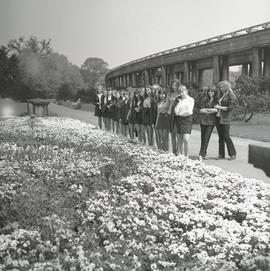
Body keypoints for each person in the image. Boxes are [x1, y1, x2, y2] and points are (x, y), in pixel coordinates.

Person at [214, 80, 237, 160]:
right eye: (219, 87)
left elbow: (230, 108)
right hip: (218, 118)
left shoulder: (230, 95)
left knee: (226, 136)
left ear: (225, 87)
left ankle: (233, 154)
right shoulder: (221, 94)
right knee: (221, 137)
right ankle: (221, 154)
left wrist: (219, 107)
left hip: (225, 119)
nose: (220, 88)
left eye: (221, 86)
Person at [172, 84, 194, 158]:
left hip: (187, 120)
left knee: (186, 139)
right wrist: (178, 103)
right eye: (180, 92)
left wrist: (180, 113)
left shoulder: (191, 99)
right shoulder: (178, 99)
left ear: (186, 91)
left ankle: (186, 156)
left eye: (183, 91)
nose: (181, 93)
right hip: (178, 120)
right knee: (179, 140)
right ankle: (180, 154)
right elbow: (175, 111)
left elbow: (189, 111)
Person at [198, 86, 218, 160]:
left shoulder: (216, 100)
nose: (210, 92)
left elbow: (216, 110)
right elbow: (201, 110)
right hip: (203, 121)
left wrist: (206, 109)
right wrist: (211, 110)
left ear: (215, 92)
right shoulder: (204, 99)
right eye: (209, 91)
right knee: (203, 138)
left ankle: (201, 154)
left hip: (211, 122)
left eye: (212, 91)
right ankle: (204, 153)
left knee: (206, 138)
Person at [167, 79, 181, 155]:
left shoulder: (180, 94)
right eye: (173, 85)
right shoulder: (170, 94)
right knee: (172, 133)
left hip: (178, 115)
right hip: (170, 114)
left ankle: (178, 151)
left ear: (178, 85)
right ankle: (174, 151)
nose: (174, 86)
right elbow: (167, 104)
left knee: (177, 133)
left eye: (175, 85)